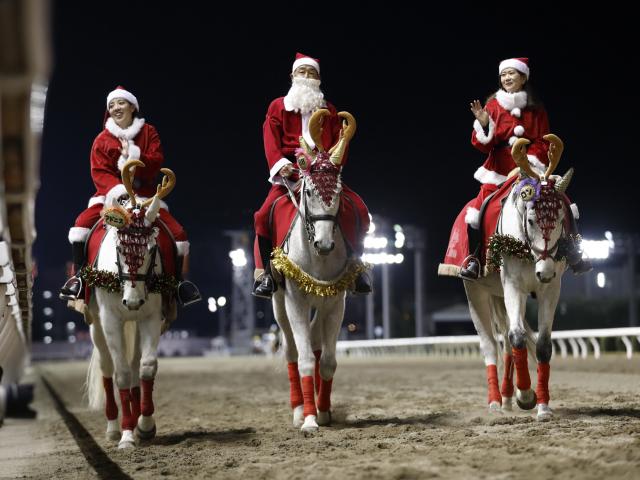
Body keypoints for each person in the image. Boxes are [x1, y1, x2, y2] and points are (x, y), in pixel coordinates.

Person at [59, 86, 201, 306]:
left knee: (179, 233)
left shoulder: (149, 133)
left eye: (121, 103)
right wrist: (121, 192)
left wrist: (132, 156)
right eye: (111, 105)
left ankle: (179, 284)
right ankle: (78, 279)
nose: (116, 108)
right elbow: (100, 173)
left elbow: (155, 163)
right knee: (80, 226)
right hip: (111, 197)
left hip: (145, 197)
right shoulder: (102, 140)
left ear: (133, 106)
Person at [252, 53, 371, 298]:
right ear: (293, 76)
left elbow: (341, 144)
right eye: (302, 72)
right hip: (290, 177)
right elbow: (270, 139)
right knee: (263, 215)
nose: (307, 77)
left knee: (359, 209)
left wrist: (330, 165)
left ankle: (356, 267)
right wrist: (279, 164)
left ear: (318, 79)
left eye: (312, 73)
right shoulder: (278, 106)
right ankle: (265, 274)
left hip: (323, 177)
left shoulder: (330, 110)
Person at [460, 57, 591, 279]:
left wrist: (527, 164)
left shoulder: (537, 109)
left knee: (562, 201)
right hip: (499, 169)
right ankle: (477, 258)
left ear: (523, 77)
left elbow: (543, 141)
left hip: (531, 167)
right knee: (480, 209)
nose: (507, 78)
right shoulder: (492, 106)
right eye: (503, 75)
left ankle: (575, 253)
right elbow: (482, 145)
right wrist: (483, 123)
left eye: (511, 73)